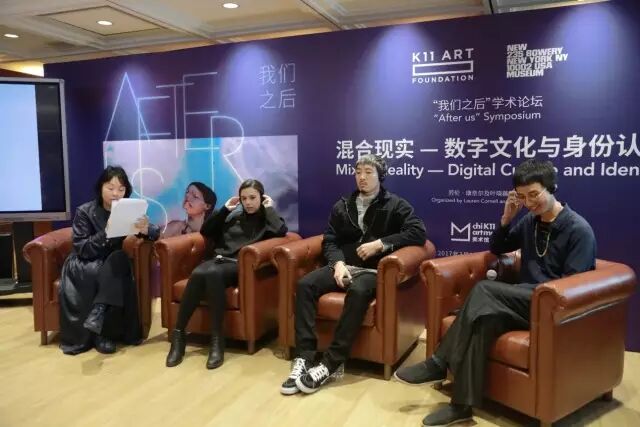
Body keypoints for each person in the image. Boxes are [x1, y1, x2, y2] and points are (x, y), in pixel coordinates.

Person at [395, 159, 597, 427]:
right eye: (522, 197)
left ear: (552, 188)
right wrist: (506, 219)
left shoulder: (578, 230)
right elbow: (498, 247)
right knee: (483, 320)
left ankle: (439, 362)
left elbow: (572, 290)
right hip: (523, 304)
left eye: (534, 194)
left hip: (551, 310)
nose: (529, 202)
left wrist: (536, 294)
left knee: (483, 289)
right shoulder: (530, 221)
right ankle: (461, 406)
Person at [280, 154, 427, 395]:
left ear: (380, 176)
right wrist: (338, 264)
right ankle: (304, 357)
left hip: (372, 270)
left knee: (358, 291)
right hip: (343, 265)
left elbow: (418, 232)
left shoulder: (395, 204)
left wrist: (380, 244)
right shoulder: (343, 205)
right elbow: (330, 240)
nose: (362, 177)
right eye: (358, 172)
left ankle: (330, 363)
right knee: (306, 285)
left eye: (368, 172)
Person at [165, 179, 288, 369]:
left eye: (253, 198)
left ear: (262, 198)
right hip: (218, 260)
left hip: (238, 265)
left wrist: (269, 208)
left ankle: (217, 340)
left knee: (210, 273)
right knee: (199, 272)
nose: (248, 202)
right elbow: (206, 230)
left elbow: (281, 231)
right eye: (244, 198)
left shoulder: (267, 219)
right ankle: (179, 336)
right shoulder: (233, 216)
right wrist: (225, 209)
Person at [59, 166, 160, 355]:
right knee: (117, 265)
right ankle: (102, 334)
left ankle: (99, 313)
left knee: (119, 258)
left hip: (113, 261)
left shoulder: (127, 210)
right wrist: (107, 232)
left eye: (121, 189)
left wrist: (147, 230)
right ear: (100, 188)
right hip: (85, 263)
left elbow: (155, 232)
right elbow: (83, 249)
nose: (116, 193)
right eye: (110, 188)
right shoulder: (85, 211)